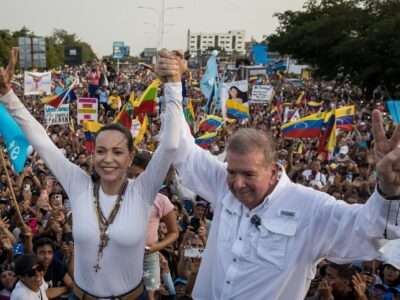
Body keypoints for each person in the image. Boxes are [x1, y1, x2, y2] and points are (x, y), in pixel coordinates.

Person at [156, 49, 400, 300]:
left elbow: (368, 232)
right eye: (232, 172)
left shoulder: (311, 208)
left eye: (249, 174)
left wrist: (389, 190)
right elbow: (181, 147)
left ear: (273, 170)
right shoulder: (222, 184)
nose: (237, 184)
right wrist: (174, 84)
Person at [0, 48, 185, 299]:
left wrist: (173, 85)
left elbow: (171, 145)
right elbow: (42, 142)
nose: (108, 159)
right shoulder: (79, 185)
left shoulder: (142, 190)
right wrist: (7, 94)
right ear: (92, 155)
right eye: (101, 151)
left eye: (117, 152)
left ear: (130, 157)